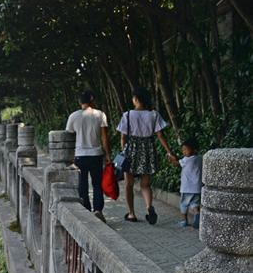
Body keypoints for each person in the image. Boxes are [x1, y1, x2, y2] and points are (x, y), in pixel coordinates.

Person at [117, 87, 176, 224]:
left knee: (129, 184)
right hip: (148, 149)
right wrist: (169, 151)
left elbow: (123, 137)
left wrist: (124, 151)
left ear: (136, 99)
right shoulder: (154, 114)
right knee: (145, 184)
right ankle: (149, 207)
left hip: (131, 150)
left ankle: (131, 214)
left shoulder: (127, 115)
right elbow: (160, 135)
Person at [66, 90, 110, 222]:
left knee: (82, 184)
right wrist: (108, 154)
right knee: (97, 184)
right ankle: (98, 210)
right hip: (96, 154)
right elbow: (104, 137)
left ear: (80, 102)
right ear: (92, 101)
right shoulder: (100, 114)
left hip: (80, 155)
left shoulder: (73, 116)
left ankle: (86, 210)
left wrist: (70, 157)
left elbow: (69, 136)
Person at [169, 138, 202, 228]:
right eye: (182, 150)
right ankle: (197, 214)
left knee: (184, 204)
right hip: (197, 187)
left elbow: (176, 163)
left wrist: (171, 157)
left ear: (193, 149)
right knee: (195, 203)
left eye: (185, 150)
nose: (183, 152)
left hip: (187, 187)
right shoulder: (200, 158)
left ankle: (184, 221)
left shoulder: (186, 159)